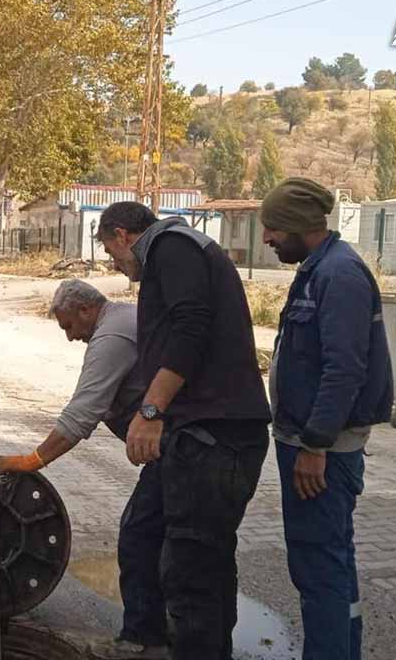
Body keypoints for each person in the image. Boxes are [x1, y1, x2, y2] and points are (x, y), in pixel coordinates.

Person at [97, 201, 271, 660]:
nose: (118, 267)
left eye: (114, 256)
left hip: (215, 436)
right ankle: (145, 638)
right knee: (142, 532)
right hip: (189, 434)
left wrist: (150, 411)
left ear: (121, 235)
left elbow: (190, 329)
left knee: (194, 567)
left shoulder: (172, 246)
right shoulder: (170, 254)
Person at [0, 279, 165, 660]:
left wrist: (32, 460)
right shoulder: (122, 318)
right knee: (159, 539)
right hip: (175, 450)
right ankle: (162, 636)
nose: (70, 338)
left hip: (180, 452)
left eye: (69, 326)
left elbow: (82, 412)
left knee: (140, 537)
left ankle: (145, 640)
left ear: (86, 310)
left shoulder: (111, 337)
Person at [260, 179, 393, 660]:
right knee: (329, 562)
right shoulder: (318, 269)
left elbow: (344, 369)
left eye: (272, 228)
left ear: (296, 227)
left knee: (320, 566)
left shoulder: (340, 276)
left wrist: (315, 446)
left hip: (322, 451)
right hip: (310, 442)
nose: (267, 239)